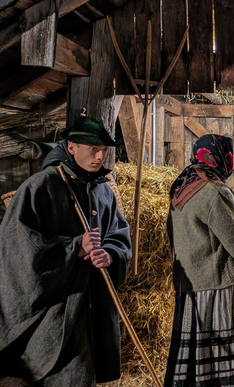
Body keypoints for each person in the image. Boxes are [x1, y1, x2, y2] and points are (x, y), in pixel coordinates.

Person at [0, 116, 132, 386]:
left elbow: (119, 235)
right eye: (92, 149)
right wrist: (74, 248)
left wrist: (109, 254)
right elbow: (17, 250)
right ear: (71, 147)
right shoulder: (40, 188)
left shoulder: (103, 191)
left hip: (92, 305)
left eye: (103, 150)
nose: (99, 156)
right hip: (57, 310)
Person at [165, 134, 234, 387]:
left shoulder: (182, 186)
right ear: (221, 157)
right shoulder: (214, 191)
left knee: (197, 358)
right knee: (223, 360)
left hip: (190, 287)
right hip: (219, 286)